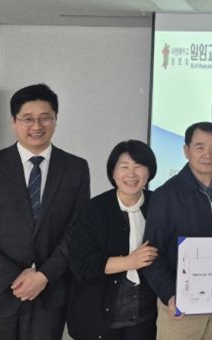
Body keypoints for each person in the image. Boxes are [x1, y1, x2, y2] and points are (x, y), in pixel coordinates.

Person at [0, 83, 90, 340]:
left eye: (45, 117)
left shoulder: (75, 168)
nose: (36, 126)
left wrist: (44, 275)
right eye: (27, 119)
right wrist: (15, 277)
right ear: (14, 122)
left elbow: (77, 230)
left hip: (48, 297)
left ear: (55, 120)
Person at [142, 122, 212, 340]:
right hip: (180, 310)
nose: (208, 154)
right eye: (200, 147)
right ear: (186, 151)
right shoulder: (166, 195)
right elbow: (150, 254)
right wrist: (170, 295)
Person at [67, 140, 159, 340]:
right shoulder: (93, 209)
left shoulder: (159, 205)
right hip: (99, 317)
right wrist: (130, 262)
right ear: (113, 172)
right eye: (124, 167)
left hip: (145, 317)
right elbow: (80, 263)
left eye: (138, 166)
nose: (131, 174)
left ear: (149, 172)